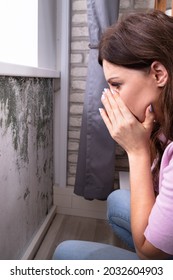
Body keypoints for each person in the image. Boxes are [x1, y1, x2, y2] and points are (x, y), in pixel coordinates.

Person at [53, 10, 173, 260]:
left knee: (66, 253)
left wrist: (137, 151)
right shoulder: (162, 124)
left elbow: (149, 252)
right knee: (118, 199)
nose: (112, 97)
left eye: (117, 85)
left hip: (155, 256)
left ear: (159, 74)